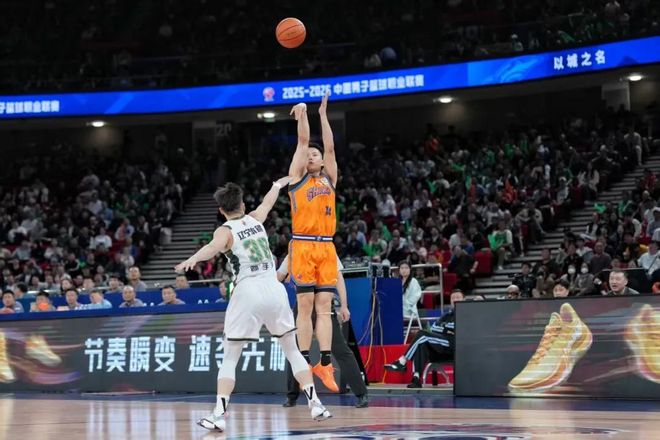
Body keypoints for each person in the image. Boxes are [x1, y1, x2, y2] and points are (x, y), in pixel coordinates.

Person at [174, 177, 332, 432]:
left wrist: (191, 259)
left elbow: (212, 248)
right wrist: (276, 186)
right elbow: (267, 204)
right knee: (292, 350)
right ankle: (316, 404)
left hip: (248, 291)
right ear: (243, 205)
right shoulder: (255, 219)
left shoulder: (224, 231)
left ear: (221, 210)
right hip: (274, 289)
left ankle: (219, 415)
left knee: (230, 356)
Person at [286, 93, 340, 392]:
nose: (311, 156)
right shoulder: (296, 178)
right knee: (305, 306)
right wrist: (304, 113)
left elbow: (329, 147)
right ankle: (305, 361)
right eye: (308, 155)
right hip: (303, 245)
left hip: (326, 246)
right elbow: (303, 141)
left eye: (315, 155)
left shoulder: (330, 178)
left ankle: (325, 364)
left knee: (325, 307)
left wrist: (322, 114)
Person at [277, 254, 368, 408]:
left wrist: (344, 305)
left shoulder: (327, 249)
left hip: (324, 306)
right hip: (303, 307)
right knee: (295, 351)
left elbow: (338, 277)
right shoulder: (294, 250)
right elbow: (278, 277)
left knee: (341, 350)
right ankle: (292, 396)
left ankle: (361, 394)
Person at [384, 289, 465, 388]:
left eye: (458, 297)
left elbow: (457, 327)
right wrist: (447, 328)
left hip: (453, 346)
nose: (455, 299)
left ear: (463, 299)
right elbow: (434, 327)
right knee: (422, 344)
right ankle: (416, 378)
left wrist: (445, 327)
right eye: (453, 298)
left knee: (422, 334)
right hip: (441, 345)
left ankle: (402, 361)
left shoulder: (466, 314)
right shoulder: (447, 315)